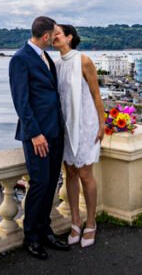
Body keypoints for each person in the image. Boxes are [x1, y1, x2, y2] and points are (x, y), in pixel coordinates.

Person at [9, 16, 70, 260]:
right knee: (39, 184)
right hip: (38, 135)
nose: (56, 37)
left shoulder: (46, 58)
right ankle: (31, 236)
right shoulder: (20, 59)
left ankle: (45, 230)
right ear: (45, 37)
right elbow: (21, 102)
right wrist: (34, 134)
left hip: (55, 131)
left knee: (51, 182)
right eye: (54, 34)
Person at [52, 24, 106, 248]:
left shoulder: (84, 61)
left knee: (85, 173)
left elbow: (95, 94)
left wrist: (102, 123)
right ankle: (75, 220)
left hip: (85, 123)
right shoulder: (54, 65)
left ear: (69, 37)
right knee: (70, 173)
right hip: (65, 126)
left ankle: (91, 222)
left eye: (57, 33)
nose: (53, 36)